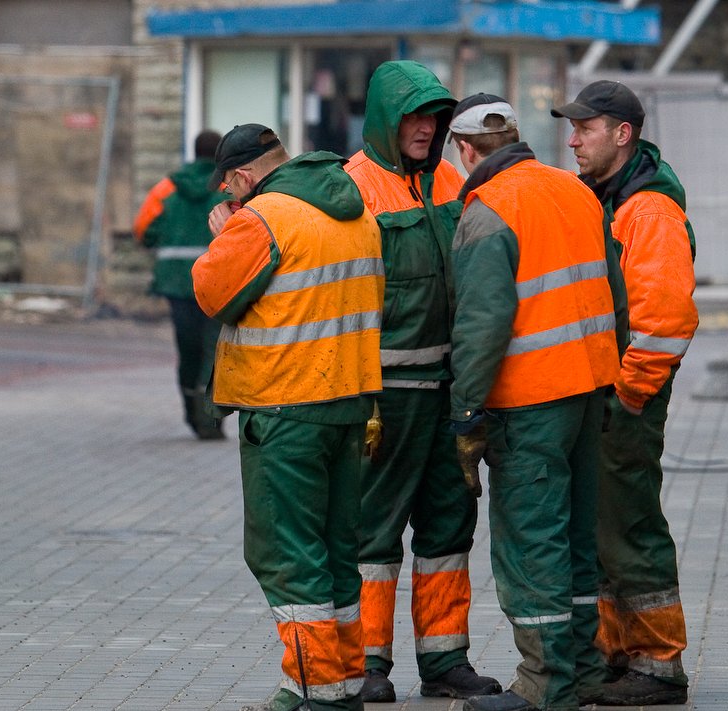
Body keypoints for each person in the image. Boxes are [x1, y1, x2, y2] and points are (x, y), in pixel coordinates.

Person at [191, 123, 384, 711]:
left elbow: (214, 295)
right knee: (334, 552)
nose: (229, 197)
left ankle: (315, 689)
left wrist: (224, 237)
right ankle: (347, 679)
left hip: (285, 411)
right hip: (349, 404)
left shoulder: (262, 217)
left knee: (287, 556)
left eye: (230, 187)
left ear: (244, 177)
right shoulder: (356, 210)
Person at [446, 94, 629, 711]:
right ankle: (577, 669)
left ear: (466, 150)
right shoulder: (573, 190)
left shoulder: (487, 208)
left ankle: (545, 684)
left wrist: (466, 410)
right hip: (588, 390)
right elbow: (615, 293)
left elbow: (482, 323)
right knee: (577, 535)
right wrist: (610, 372)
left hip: (528, 402)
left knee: (532, 539)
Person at [341, 60, 500, 703]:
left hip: (450, 387)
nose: (426, 127)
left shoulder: (450, 178)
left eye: (434, 116)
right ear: (384, 118)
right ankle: (368, 664)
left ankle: (443, 661)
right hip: (387, 391)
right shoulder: (352, 187)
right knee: (373, 532)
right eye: (413, 115)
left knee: (448, 525)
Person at [551, 80, 698, 706]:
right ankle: (620, 653)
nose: (573, 139)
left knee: (630, 525)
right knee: (608, 526)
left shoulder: (648, 209)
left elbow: (665, 322)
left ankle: (659, 664)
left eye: (585, 129)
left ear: (622, 133)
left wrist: (630, 395)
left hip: (626, 397)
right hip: (608, 394)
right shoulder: (608, 198)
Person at [132, 129, 229, 440]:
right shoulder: (227, 187)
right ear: (218, 155)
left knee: (187, 349)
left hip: (175, 282)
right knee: (213, 349)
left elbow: (143, 229)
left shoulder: (167, 187)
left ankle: (191, 411)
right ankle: (210, 417)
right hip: (217, 283)